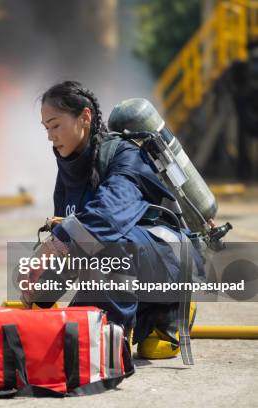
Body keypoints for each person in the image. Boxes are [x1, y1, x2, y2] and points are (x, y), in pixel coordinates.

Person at [32, 80, 201, 353]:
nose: (51, 136)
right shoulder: (68, 172)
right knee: (67, 248)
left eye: (55, 125)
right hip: (132, 267)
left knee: (107, 240)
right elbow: (68, 244)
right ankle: (143, 317)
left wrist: (59, 241)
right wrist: (39, 294)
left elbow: (109, 216)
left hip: (170, 263)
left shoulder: (126, 155)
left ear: (85, 117)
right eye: (46, 128)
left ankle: (144, 322)